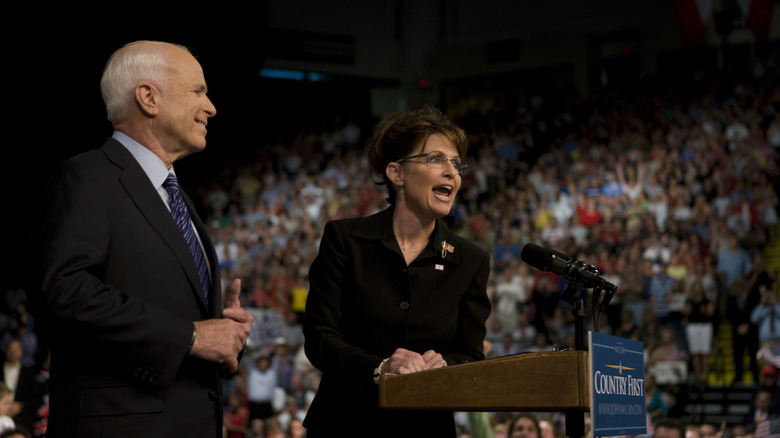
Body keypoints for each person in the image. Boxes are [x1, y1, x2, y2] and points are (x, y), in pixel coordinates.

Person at [23, 41, 254, 437]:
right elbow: (62, 291)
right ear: (148, 97)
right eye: (198, 90)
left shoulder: (178, 198)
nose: (211, 106)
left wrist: (227, 336)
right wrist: (192, 336)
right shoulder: (87, 177)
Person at [302, 105, 492, 437]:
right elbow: (320, 339)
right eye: (435, 159)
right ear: (396, 173)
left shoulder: (471, 260)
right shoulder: (345, 240)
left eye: (456, 163)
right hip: (344, 423)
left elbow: (470, 354)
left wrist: (446, 366)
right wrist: (380, 368)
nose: (452, 172)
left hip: (427, 428)